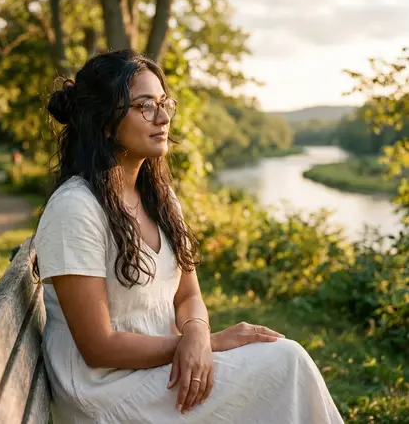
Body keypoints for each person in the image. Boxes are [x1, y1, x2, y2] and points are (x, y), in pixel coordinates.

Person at [33, 49, 344, 424]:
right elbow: (98, 346)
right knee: (285, 363)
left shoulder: (159, 199)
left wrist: (196, 331)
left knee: (283, 358)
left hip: (159, 370)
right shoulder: (75, 208)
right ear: (104, 123)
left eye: (164, 103)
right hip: (106, 392)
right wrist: (202, 343)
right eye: (145, 106)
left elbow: (188, 294)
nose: (163, 117)